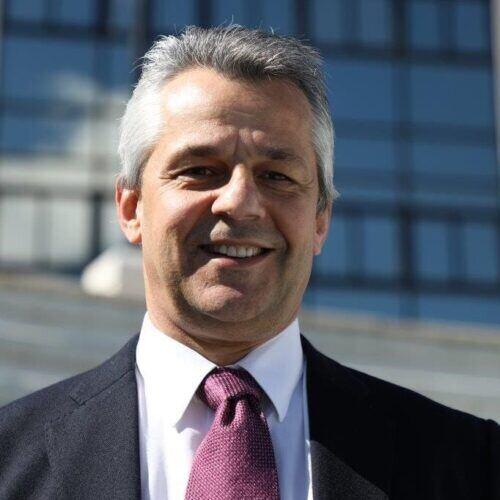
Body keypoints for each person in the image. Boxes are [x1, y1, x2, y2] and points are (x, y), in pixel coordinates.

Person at [0, 25, 498, 500]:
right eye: (200, 170)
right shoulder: (10, 461)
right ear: (132, 208)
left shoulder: (474, 466)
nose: (240, 203)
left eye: (277, 176)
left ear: (320, 220)